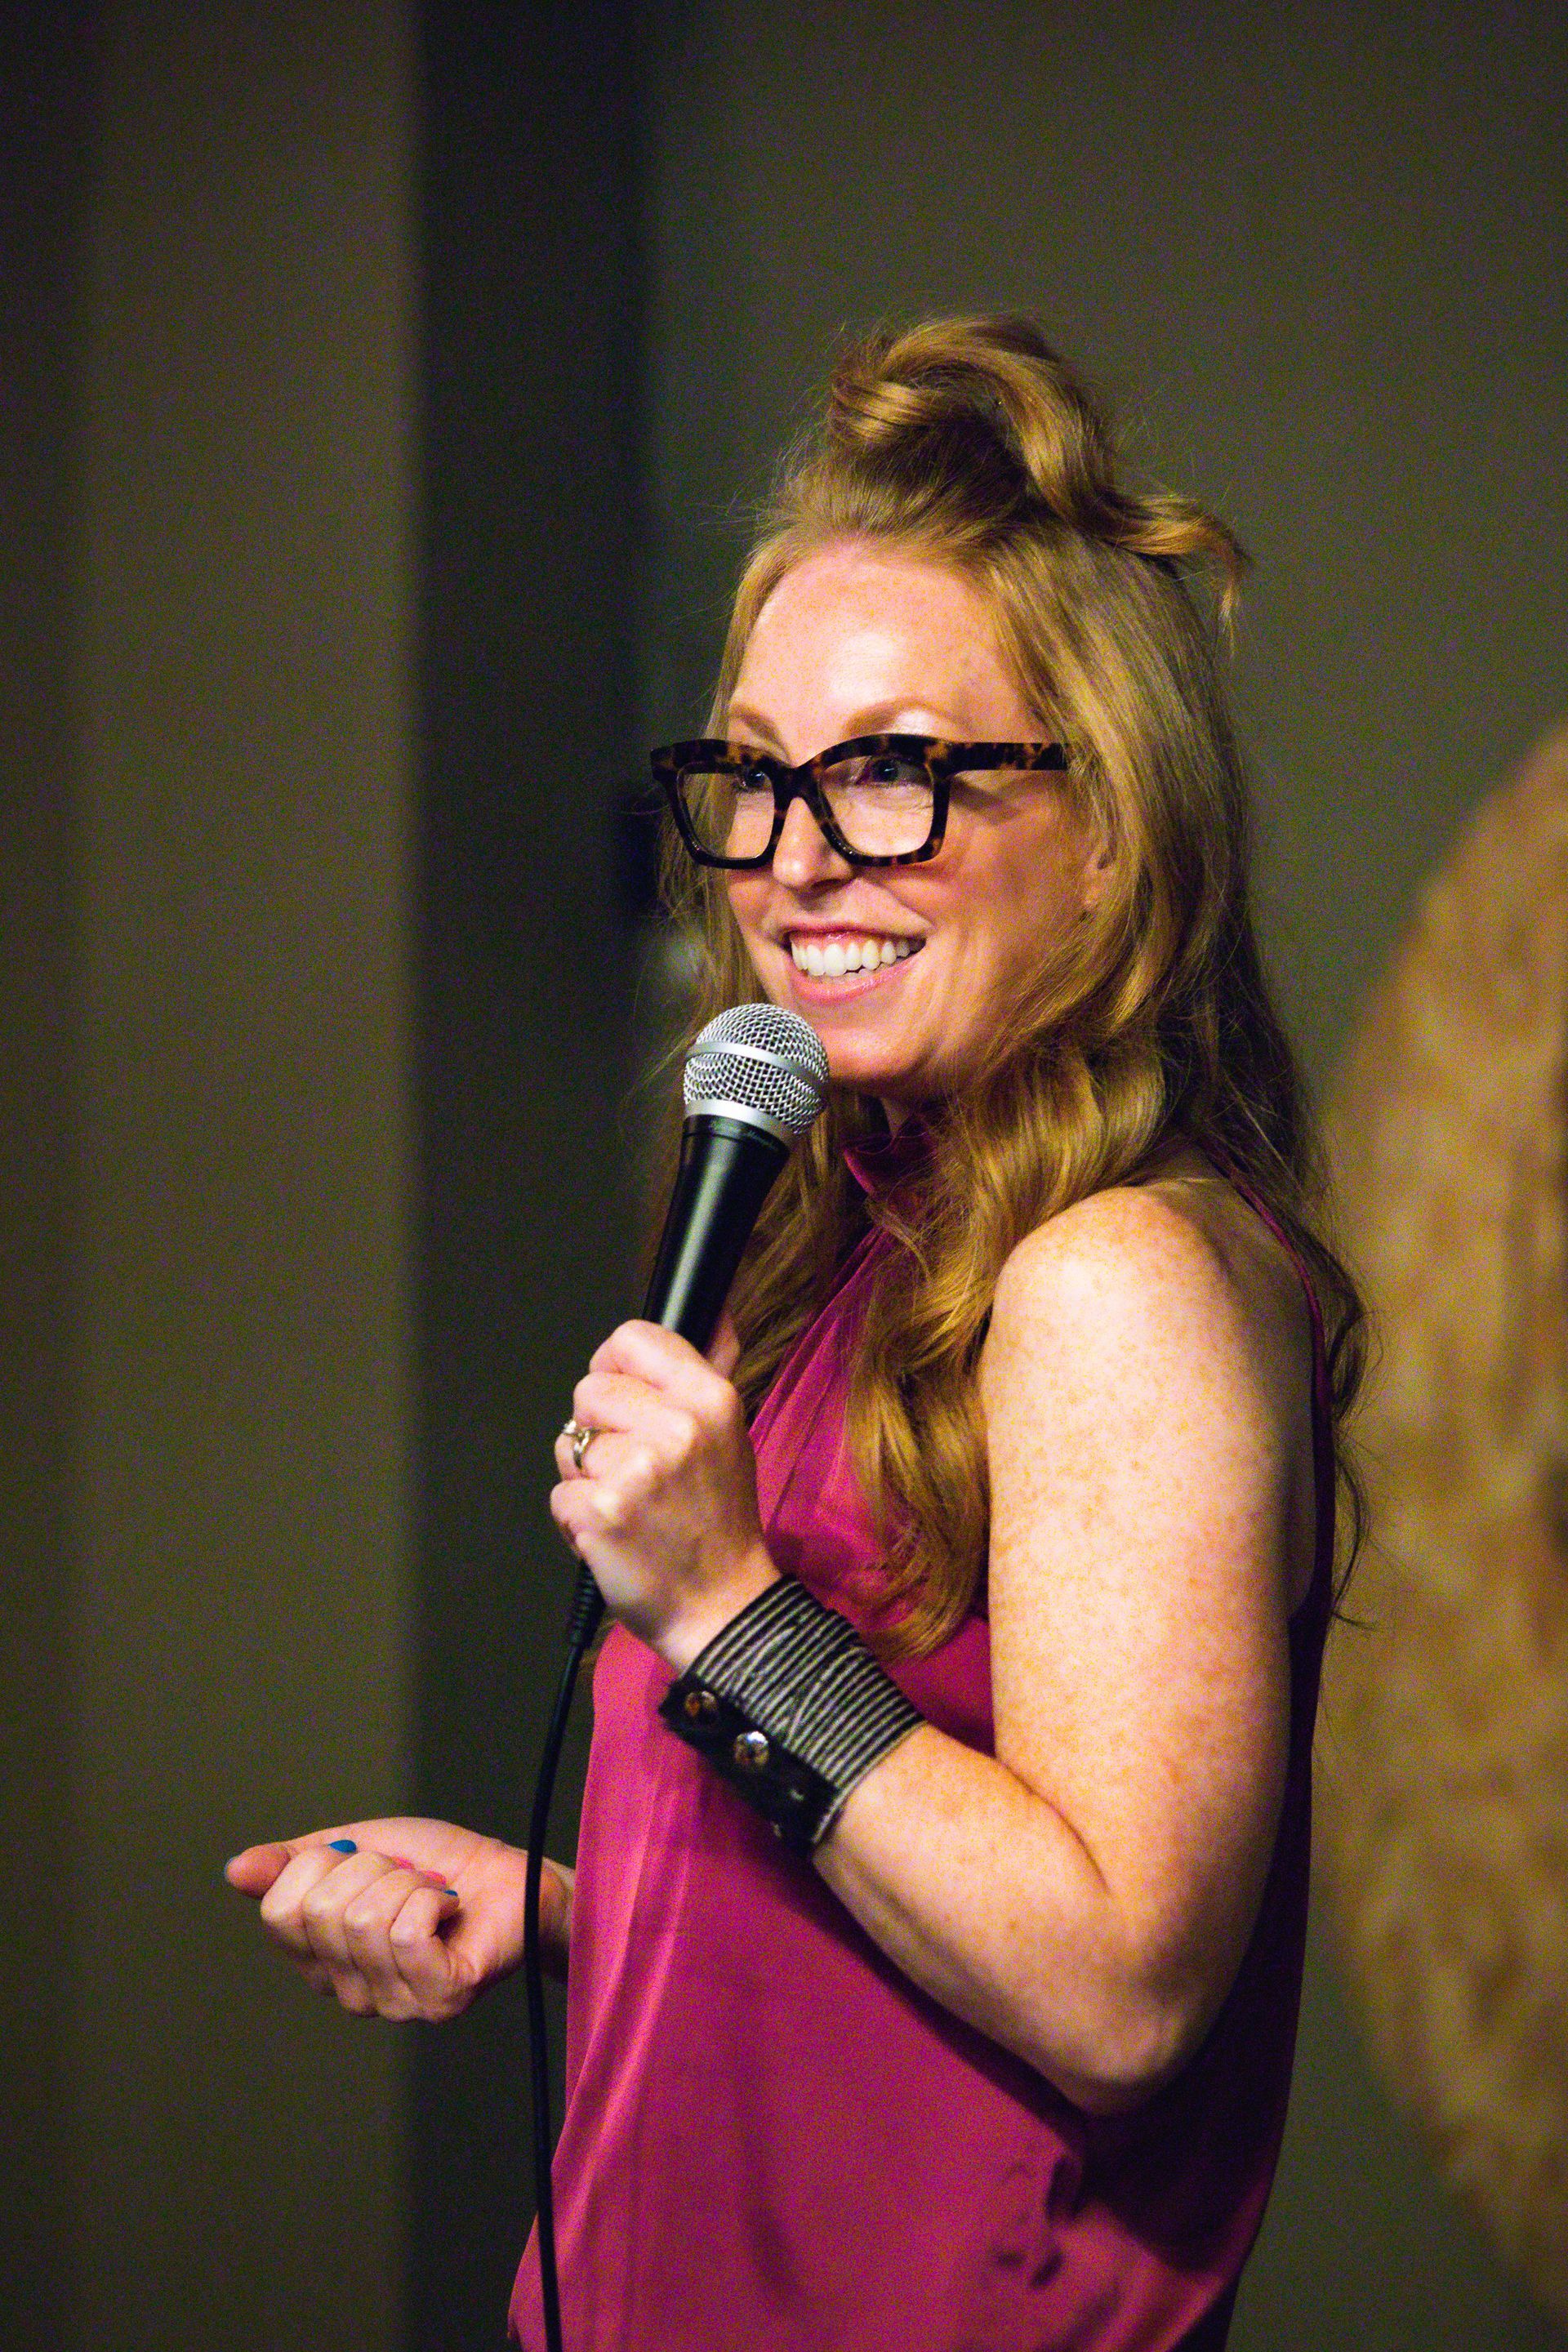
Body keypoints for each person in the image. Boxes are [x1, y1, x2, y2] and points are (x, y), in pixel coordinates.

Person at [227, 316, 1365, 2350]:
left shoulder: (1117, 1279)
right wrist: (574, 1914)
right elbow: (930, 1912)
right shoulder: (859, 1238)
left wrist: (727, 1608)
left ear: (1106, 828)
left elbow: (1115, 1986)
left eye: (898, 773)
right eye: (753, 776)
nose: (797, 852)